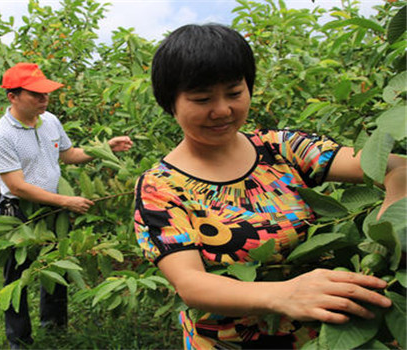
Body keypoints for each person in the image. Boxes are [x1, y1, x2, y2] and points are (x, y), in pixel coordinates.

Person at [133, 24, 406, 349]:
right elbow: (190, 283)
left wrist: (391, 223)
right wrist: (284, 294)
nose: (222, 110)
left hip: (317, 338)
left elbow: (392, 165)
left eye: (234, 93)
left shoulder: (281, 148)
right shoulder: (160, 187)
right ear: (171, 103)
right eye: (202, 99)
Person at [0, 62, 133, 348]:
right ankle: (19, 339)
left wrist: (105, 148)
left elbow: (68, 155)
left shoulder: (50, 120)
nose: (44, 100)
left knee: (55, 265)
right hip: (19, 212)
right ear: (12, 97)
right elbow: (16, 185)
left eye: (46, 94)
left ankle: (53, 325)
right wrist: (66, 200)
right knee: (17, 276)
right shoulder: (1, 135)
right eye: (36, 95)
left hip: (53, 207)